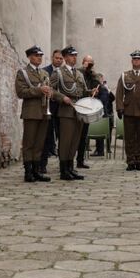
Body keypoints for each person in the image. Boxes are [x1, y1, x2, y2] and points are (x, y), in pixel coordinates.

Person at [15, 46, 59, 182]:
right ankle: (28, 172)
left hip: (44, 111)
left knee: (40, 143)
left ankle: (36, 170)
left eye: (40, 56)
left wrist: (50, 93)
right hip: (31, 112)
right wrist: (39, 90)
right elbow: (21, 92)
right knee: (29, 143)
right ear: (29, 57)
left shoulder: (44, 73)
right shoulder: (23, 73)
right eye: (36, 55)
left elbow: (50, 89)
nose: (39, 58)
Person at [49, 46, 87, 181]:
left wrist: (92, 91)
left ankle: (71, 167)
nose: (74, 58)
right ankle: (63, 170)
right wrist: (62, 97)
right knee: (65, 141)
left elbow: (83, 91)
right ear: (65, 57)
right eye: (71, 55)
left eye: (75, 55)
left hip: (79, 111)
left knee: (75, 140)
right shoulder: (59, 72)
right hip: (66, 111)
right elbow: (50, 90)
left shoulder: (79, 74)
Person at [39, 48, 63, 175]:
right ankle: (42, 165)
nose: (59, 60)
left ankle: (63, 166)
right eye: (56, 58)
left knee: (62, 137)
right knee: (46, 137)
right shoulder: (45, 71)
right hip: (48, 108)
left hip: (61, 109)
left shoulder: (64, 72)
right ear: (52, 58)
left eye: (61, 58)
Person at [75, 54, 101, 168]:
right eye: (87, 62)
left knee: (83, 136)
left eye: (91, 62)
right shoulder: (77, 72)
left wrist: (91, 71)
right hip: (76, 106)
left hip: (86, 108)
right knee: (73, 136)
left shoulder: (93, 75)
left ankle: (80, 160)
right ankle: (68, 160)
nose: (89, 64)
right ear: (83, 62)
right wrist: (84, 68)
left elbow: (97, 85)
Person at [93, 76, 115, 156]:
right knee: (99, 133)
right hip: (104, 114)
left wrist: (109, 90)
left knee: (106, 133)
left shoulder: (104, 89)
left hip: (107, 114)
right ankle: (99, 150)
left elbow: (112, 98)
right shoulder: (98, 89)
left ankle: (105, 149)